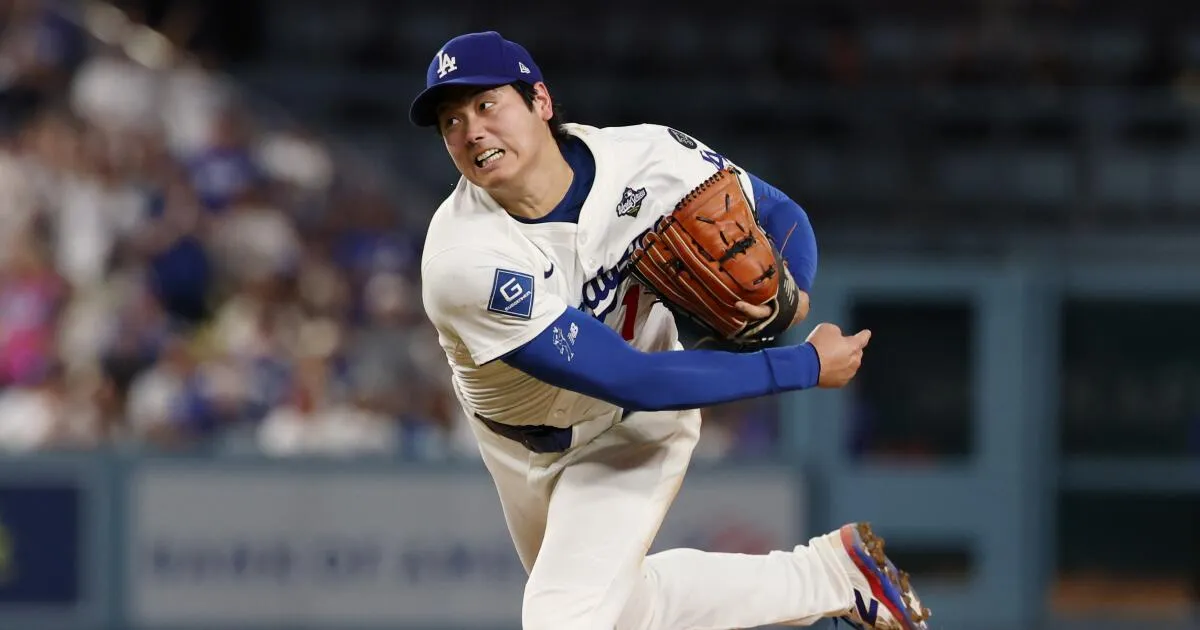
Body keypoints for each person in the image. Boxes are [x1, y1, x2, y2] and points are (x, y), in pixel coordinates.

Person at [411, 30, 930, 630]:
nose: (471, 130)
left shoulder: (649, 161)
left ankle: (830, 578)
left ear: (541, 102)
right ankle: (832, 576)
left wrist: (796, 294)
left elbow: (781, 213)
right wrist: (804, 366)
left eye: (486, 104)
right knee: (626, 612)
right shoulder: (462, 260)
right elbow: (633, 376)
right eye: (450, 120)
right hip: (516, 441)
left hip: (630, 430)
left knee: (563, 617)